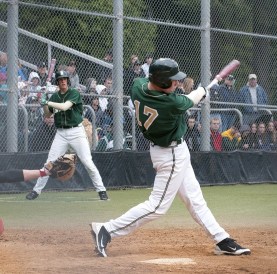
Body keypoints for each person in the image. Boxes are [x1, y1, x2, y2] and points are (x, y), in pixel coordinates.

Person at [90, 58, 251, 257]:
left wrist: (200, 93)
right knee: (157, 206)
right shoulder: (169, 103)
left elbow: (185, 97)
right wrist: (203, 92)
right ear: (161, 82)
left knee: (194, 199)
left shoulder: (139, 86)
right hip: (170, 154)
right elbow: (191, 99)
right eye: (173, 80)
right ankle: (107, 230)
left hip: (171, 150)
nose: (177, 83)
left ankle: (222, 239)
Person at [25, 70, 108, 201]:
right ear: (57, 82)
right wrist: (44, 103)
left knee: (87, 161)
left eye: (65, 79)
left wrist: (49, 103)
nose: (63, 81)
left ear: (67, 81)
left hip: (76, 132)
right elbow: (47, 115)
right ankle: (36, 191)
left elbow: (64, 107)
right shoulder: (55, 97)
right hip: (61, 134)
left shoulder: (73, 93)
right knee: (49, 163)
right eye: (60, 79)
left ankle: (101, 190)